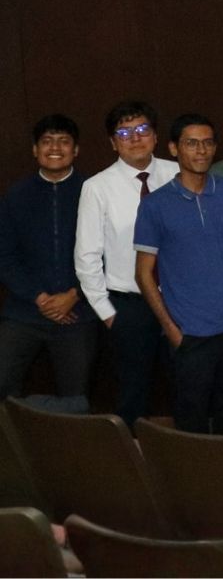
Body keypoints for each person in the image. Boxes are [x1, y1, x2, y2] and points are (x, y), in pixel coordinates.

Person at [75, 100, 179, 426]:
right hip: (130, 306)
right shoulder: (97, 187)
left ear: (156, 136)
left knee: (188, 386)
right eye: (124, 132)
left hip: (180, 300)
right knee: (133, 395)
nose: (135, 138)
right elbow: (87, 257)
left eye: (142, 129)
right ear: (112, 142)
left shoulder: (179, 174)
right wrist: (108, 314)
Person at [0, 115, 96, 406]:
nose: (55, 148)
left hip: (78, 312)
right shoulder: (16, 196)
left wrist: (73, 295)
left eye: (63, 141)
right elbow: (5, 256)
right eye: (47, 141)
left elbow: (106, 254)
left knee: (76, 397)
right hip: (24, 312)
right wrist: (40, 298)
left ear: (75, 150)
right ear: (35, 149)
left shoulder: (94, 192)